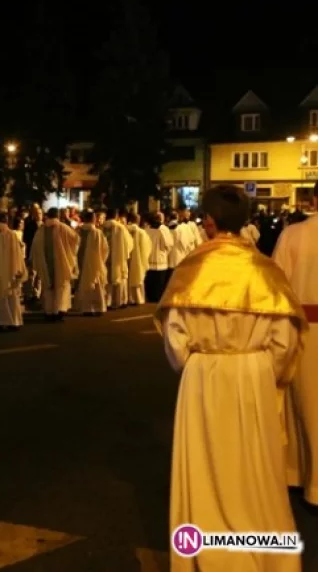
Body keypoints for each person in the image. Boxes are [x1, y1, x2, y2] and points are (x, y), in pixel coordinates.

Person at [157, 185, 306, 572]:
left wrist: (195, 364)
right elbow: (284, 341)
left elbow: (175, 339)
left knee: (204, 462)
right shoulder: (265, 270)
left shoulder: (192, 268)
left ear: (209, 221)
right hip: (253, 375)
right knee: (254, 466)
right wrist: (259, 372)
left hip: (203, 375)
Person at [273, 181, 318, 506]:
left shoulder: (293, 234)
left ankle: (297, 474)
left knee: (303, 404)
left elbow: (277, 286)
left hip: (304, 328)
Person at [29, 208, 79, 322]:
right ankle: (58, 311)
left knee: (48, 287)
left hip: (46, 264)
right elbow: (76, 240)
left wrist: (35, 260)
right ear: (57, 215)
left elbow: (35, 245)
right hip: (61, 263)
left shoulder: (41, 230)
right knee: (60, 287)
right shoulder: (63, 227)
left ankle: (49, 311)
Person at [73, 210, 108, 316]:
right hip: (94, 262)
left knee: (82, 283)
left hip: (79, 261)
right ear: (92, 219)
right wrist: (101, 260)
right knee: (95, 285)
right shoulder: (97, 232)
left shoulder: (77, 231)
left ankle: (84, 307)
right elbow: (105, 249)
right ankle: (97, 308)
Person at [101, 209, 134, 309]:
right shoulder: (120, 227)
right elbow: (128, 243)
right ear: (116, 215)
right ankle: (119, 301)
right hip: (119, 256)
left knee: (107, 279)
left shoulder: (102, 227)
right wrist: (126, 253)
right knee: (120, 277)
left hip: (105, 257)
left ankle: (107, 301)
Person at [145, 212, 174, 302]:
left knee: (150, 280)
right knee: (158, 282)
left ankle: (150, 297)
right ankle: (157, 297)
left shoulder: (147, 229)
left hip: (149, 258)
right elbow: (168, 244)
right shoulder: (163, 229)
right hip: (160, 259)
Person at [126, 212, 152, 306]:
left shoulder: (124, 229)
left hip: (126, 258)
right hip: (137, 259)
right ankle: (137, 298)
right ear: (137, 220)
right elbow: (147, 247)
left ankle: (127, 298)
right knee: (137, 277)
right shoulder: (141, 232)